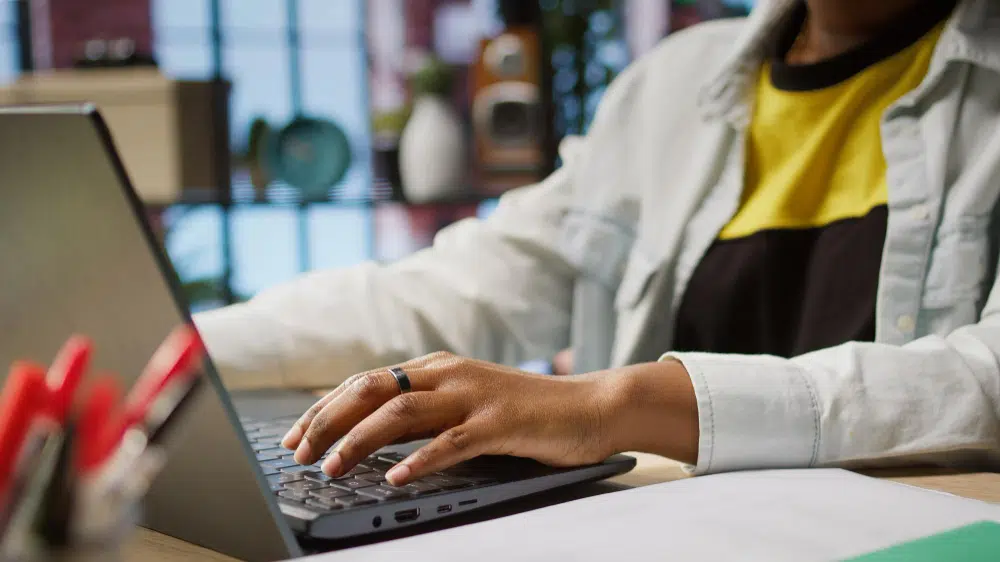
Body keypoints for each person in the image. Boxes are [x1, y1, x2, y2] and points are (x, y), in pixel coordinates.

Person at [195, 0, 1000, 488]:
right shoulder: (673, 83)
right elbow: (467, 284)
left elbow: (984, 379)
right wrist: (181, 346)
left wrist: (611, 407)